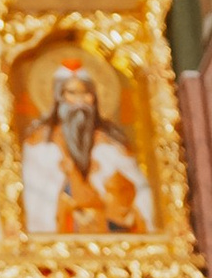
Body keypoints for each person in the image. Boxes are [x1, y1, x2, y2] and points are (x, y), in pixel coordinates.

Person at [21, 64, 154, 236]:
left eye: (86, 93)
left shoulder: (111, 141)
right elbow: (36, 194)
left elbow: (137, 189)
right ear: (59, 97)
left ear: (95, 97)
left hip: (110, 230)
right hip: (63, 233)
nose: (80, 100)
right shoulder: (41, 142)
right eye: (72, 93)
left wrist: (105, 178)